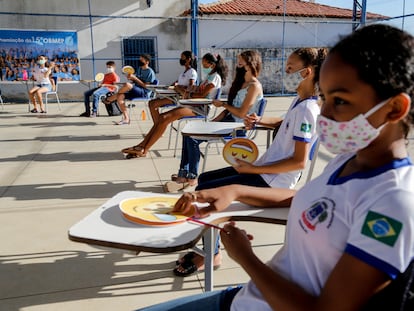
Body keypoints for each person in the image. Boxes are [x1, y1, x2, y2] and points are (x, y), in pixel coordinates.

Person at [139, 24, 414, 311]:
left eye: (340, 100)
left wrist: (246, 257)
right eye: (326, 97)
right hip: (252, 297)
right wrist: (233, 191)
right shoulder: (348, 161)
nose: (326, 114)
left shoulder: (394, 202)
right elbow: (311, 199)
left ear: (394, 108)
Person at [172, 47, 325, 277]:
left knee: (206, 189)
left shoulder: (308, 110)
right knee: (204, 178)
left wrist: (254, 168)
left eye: (290, 67)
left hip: (272, 183)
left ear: (307, 73)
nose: (285, 71)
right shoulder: (300, 101)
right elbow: (284, 122)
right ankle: (211, 248)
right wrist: (262, 120)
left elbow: (299, 162)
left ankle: (210, 254)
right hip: (262, 173)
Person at [165, 50, 263, 193]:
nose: (238, 63)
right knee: (187, 133)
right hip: (227, 121)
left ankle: (192, 177)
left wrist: (223, 105)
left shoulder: (254, 86)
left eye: (241, 61)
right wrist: (212, 121)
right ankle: (183, 174)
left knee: (192, 139)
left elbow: (241, 113)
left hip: (238, 126)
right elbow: (229, 109)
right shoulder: (242, 82)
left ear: (250, 63)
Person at [121, 52, 228, 157]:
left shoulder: (215, 78)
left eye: (204, 64)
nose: (202, 65)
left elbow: (201, 95)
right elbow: (197, 91)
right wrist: (187, 92)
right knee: (162, 118)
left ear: (212, 65)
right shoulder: (209, 76)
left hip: (201, 107)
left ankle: (144, 148)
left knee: (164, 117)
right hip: (193, 104)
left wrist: (185, 93)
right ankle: (142, 146)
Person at [104, 54, 156, 125]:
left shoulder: (150, 72)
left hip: (144, 92)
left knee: (127, 85)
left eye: (141, 59)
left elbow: (146, 86)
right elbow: (136, 81)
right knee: (120, 96)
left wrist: (135, 78)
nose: (139, 60)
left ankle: (110, 99)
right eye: (139, 59)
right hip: (136, 90)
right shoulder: (139, 69)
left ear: (147, 62)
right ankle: (126, 119)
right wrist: (131, 78)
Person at [149, 51, 197, 123]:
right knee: (151, 102)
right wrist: (169, 87)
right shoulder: (184, 72)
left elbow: (191, 87)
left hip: (179, 97)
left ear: (188, 59)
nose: (181, 59)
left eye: (182, 57)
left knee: (153, 104)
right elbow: (176, 83)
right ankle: (157, 125)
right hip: (174, 95)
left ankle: (157, 126)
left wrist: (178, 87)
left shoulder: (192, 72)